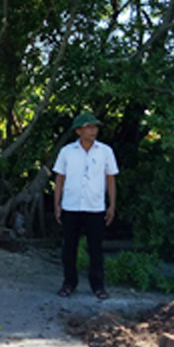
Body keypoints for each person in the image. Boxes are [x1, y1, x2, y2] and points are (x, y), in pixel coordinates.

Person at [53, 112, 119, 300]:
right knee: (69, 248)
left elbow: (110, 179)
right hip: (71, 205)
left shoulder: (105, 151)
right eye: (89, 127)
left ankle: (98, 285)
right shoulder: (67, 151)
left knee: (96, 248)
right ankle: (69, 283)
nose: (93, 131)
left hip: (95, 207)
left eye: (95, 127)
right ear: (78, 130)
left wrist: (111, 205)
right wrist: (57, 204)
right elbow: (60, 178)